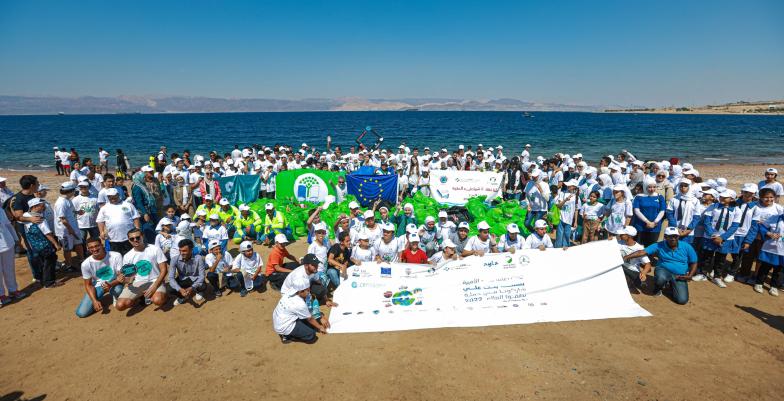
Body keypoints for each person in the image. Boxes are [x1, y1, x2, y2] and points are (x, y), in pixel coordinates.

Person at [623, 226, 698, 305]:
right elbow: (642, 252)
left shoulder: (687, 246)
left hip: (679, 275)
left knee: (682, 300)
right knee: (660, 278)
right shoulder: (659, 245)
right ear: (665, 237)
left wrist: (690, 275)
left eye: (675, 236)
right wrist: (626, 257)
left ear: (678, 236)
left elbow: (694, 262)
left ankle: (671, 285)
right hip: (663, 269)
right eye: (670, 236)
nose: (673, 239)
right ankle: (658, 288)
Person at [115, 228, 169, 311]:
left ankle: (163, 294)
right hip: (138, 282)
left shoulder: (155, 249)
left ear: (142, 236)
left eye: (138, 237)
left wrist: (155, 286)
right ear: (129, 240)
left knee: (158, 300)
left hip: (155, 280)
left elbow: (164, 270)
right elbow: (130, 278)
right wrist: (123, 280)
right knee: (120, 305)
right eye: (132, 239)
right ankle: (141, 297)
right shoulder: (127, 256)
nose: (135, 240)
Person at [75, 238, 124, 318]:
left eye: (97, 246)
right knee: (81, 313)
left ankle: (115, 295)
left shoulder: (116, 255)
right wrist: (94, 301)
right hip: (98, 286)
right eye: (91, 247)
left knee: (118, 290)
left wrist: (111, 284)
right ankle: (98, 299)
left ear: (102, 245)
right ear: (88, 249)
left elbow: (121, 276)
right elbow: (88, 285)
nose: (94, 249)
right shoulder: (85, 264)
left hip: (114, 281)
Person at [273, 275, 329, 344]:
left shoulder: (289, 293)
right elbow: (310, 319)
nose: (309, 292)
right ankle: (287, 336)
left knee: (310, 324)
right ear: (300, 291)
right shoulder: (299, 303)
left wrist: (320, 316)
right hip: (285, 326)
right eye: (307, 290)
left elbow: (310, 309)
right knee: (311, 336)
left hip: (280, 319)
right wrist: (320, 327)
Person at [700, 189, 740, 287]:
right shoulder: (713, 206)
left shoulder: (736, 210)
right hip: (711, 237)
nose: (721, 198)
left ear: (731, 199)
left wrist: (722, 238)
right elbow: (707, 221)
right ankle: (703, 273)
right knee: (707, 256)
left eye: (725, 197)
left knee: (721, 258)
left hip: (725, 239)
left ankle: (717, 277)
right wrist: (712, 235)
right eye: (721, 196)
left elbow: (734, 226)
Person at [96, 188, 141, 255]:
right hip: (113, 239)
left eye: (114, 196)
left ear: (118, 195)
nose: (112, 198)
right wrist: (101, 232)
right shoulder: (104, 208)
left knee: (132, 254)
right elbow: (100, 221)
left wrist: (137, 229)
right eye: (109, 196)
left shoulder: (128, 205)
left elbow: (135, 217)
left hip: (130, 238)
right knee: (116, 256)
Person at [749, 211, 783, 296]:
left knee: (778, 269)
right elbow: (762, 226)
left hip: (782, 250)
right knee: (765, 266)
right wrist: (769, 233)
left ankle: (773, 286)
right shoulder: (775, 217)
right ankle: (759, 283)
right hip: (771, 248)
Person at [54, 181, 84, 270]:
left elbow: (70, 212)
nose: (75, 192)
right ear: (70, 191)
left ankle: (81, 259)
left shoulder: (67, 200)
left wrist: (77, 212)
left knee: (79, 243)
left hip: (73, 228)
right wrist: (70, 229)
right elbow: (62, 219)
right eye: (74, 190)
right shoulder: (61, 203)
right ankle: (68, 266)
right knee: (68, 249)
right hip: (65, 231)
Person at [0, 201, 26, 305]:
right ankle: (1, 295)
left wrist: (16, 239)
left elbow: (8, 225)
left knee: (9, 269)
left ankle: (13, 290)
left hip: (7, 243)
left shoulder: (1, 210)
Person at [167, 238, 207, 305]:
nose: (182, 253)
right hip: (183, 279)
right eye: (180, 251)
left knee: (202, 285)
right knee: (170, 289)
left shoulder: (198, 258)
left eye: (184, 251)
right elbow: (171, 278)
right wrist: (179, 289)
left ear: (191, 250)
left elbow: (202, 276)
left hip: (195, 278)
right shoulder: (174, 259)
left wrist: (192, 287)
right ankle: (182, 296)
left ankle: (198, 290)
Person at [632, 179, 666, 246]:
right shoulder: (639, 197)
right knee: (639, 246)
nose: (652, 189)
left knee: (651, 246)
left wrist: (654, 222)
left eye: (654, 187)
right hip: (640, 226)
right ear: (645, 187)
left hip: (655, 226)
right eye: (649, 187)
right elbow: (636, 210)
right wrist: (647, 222)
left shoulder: (660, 197)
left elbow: (662, 210)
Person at [616, 226, 651, 291]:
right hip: (620, 267)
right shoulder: (619, 242)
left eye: (622, 234)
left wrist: (644, 272)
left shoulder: (639, 248)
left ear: (629, 236)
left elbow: (648, 265)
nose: (620, 235)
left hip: (632, 270)